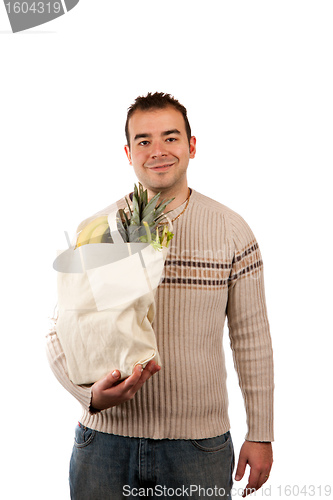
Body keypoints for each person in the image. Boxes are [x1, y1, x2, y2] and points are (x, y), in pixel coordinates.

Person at [46, 92, 274, 499]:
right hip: (104, 443)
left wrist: (261, 433)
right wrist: (89, 396)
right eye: (144, 141)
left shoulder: (231, 231)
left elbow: (251, 337)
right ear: (128, 152)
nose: (157, 151)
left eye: (170, 138)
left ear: (192, 146)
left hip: (198, 447)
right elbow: (61, 327)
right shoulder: (100, 229)